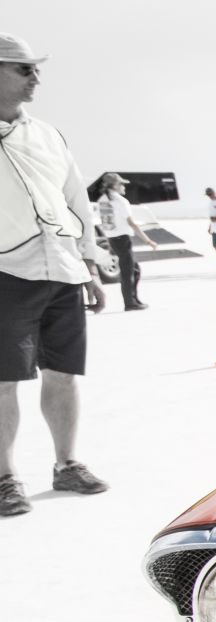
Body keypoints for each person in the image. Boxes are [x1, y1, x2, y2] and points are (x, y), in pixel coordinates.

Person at [0, 32, 109, 518]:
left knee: (63, 374)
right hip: (6, 272)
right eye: (23, 69)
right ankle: (4, 478)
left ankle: (67, 464)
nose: (35, 78)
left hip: (61, 269)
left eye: (35, 69)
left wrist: (90, 265)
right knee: (3, 381)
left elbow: (75, 202)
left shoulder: (47, 134)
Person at [93, 172, 153, 310]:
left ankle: (134, 299)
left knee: (135, 270)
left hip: (113, 238)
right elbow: (132, 223)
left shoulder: (102, 200)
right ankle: (130, 303)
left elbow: (105, 223)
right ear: (115, 185)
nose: (124, 187)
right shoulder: (120, 201)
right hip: (123, 239)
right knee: (128, 272)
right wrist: (148, 240)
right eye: (121, 184)